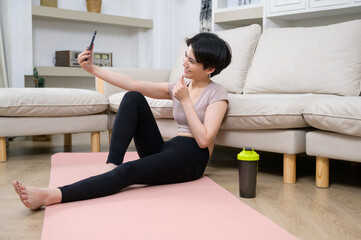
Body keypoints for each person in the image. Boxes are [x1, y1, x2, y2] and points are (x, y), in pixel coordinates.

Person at [13, 32, 232, 210]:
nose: (184, 62)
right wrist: (93, 69)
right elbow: (133, 83)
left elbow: (204, 140)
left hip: (192, 158)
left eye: (191, 61)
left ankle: (52, 195)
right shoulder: (184, 85)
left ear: (210, 69)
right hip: (170, 147)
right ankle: (111, 165)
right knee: (133, 97)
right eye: (186, 55)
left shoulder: (217, 94)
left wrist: (184, 100)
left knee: (129, 173)